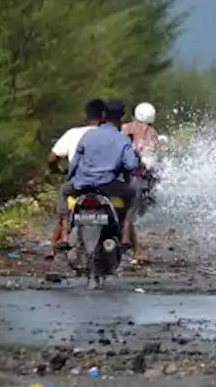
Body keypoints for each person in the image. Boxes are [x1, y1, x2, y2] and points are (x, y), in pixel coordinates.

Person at [66, 98, 146, 265]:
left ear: (103, 115)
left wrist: (71, 180)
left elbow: (74, 163)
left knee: (62, 193)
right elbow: (131, 165)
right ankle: (125, 231)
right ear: (123, 117)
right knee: (133, 194)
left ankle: (64, 231)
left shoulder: (88, 135)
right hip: (107, 186)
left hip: (82, 185)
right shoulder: (122, 139)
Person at [46, 98, 107, 257]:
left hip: (79, 184)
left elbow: (52, 158)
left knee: (63, 197)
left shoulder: (73, 133)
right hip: (106, 184)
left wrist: (58, 170)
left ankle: (64, 236)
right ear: (104, 116)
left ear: (85, 115)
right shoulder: (111, 135)